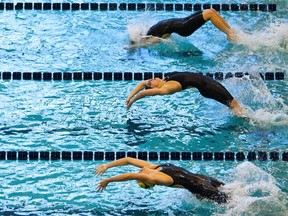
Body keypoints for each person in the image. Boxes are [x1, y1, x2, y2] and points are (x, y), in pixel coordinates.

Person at [95, 157, 228, 204]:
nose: (139, 172)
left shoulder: (154, 168)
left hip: (203, 180)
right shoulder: (154, 177)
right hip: (203, 186)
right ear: (147, 181)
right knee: (233, 202)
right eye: (141, 177)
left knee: (231, 193)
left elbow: (128, 160)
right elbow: (131, 175)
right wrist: (108, 180)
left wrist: (107, 166)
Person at [126, 72, 245, 116]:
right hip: (208, 87)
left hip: (207, 83)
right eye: (152, 81)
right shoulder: (166, 88)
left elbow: (143, 84)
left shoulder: (164, 80)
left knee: (233, 106)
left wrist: (129, 96)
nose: (152, 78)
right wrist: (132, 101)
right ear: (154, 86)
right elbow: (144, 93)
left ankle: (240, 117)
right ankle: (254, 124)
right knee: (236, 106)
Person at [127, 9, 238, 49]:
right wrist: (135, 46)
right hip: (183, 27)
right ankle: (229, 34)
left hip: (182, 21)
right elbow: (150, 42)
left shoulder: (148, 31)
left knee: (211, 11)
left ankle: (230, 31)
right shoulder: (149, 37)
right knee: (209, 14)